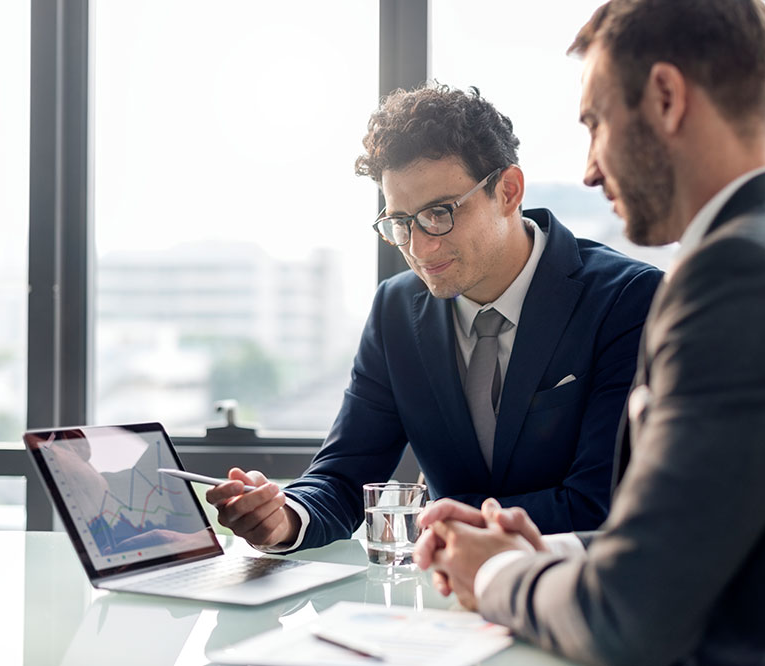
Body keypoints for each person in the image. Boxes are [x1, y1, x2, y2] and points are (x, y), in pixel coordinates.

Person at [413, 2, 765, 664]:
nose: (591, 168)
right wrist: (543, 549)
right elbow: (700, 541)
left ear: (665, 97)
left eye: (595, 124)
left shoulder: (746, 279)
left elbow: (628, 618)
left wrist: (493, 574)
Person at [205, 84, 662, 553]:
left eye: (439, 213)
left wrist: (441, 525)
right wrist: (283, 517)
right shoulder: (395, 310)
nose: (420, 248)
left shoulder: (627, 301)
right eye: (400, 222)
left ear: (508, 191)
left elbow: (600, 504)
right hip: (441, 601)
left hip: (574, 596)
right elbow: (344, 475)